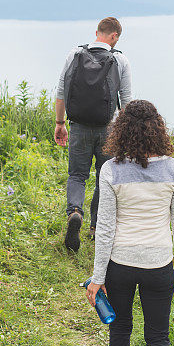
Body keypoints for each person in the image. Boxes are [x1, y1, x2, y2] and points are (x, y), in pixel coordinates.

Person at [85, 99, 174, 346]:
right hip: (159, 265)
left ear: (121, 130)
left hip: (121, 265)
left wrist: (98, 277)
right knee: (158, 338)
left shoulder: (110, 170)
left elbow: (105, 228)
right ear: (158, 129)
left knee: (119, 331)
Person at [55, 16, 132, 252]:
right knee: (104, 177)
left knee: (77, 175)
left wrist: (60, 123)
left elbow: (61, 92)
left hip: (78, 125)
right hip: (108, 128)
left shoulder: (74, 55)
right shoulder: (120, 59)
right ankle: (96, 227)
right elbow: (127, 102)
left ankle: (75, 212)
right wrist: (124, 134)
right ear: (115, 36)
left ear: (97, 32)